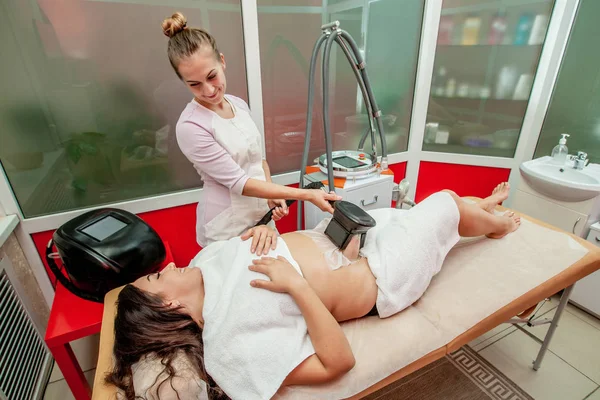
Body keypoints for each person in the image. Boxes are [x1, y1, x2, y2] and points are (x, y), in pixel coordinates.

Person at [106, 184, 519, 399]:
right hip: (381, 275)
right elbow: (338, 362)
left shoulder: (203, 263)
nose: (167, 266)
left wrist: (266, 228)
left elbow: (249, 247)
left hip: (348, 239)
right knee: (443, 203)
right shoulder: (229, 344)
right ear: (171, 304)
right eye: (157, 278)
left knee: (409, 214)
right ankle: (497, 224)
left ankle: (479, 208)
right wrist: (298, 286)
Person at [161, 12, 340, 248]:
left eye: (212, 76)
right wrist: (307, 195)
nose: (208, 90)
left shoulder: (239, 105)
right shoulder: (191, 126)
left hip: (261, 217)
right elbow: (240, 183)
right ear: (183, 82)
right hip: (227, 224)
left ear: (222, 61)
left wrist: (271, 196)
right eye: (194, 84)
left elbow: (259, 160)